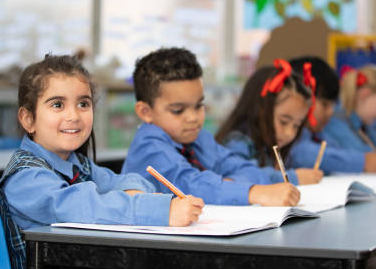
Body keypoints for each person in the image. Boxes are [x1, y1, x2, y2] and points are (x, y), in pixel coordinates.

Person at [0, 54, 204, 269]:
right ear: (28, 119)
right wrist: (161, 211)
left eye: (83, 104)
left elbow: (127, 179)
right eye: (57, 104)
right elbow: (85, 206)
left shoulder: (77, 164)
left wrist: (133, 193)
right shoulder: (26, 179)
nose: (73, 115)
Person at [122, 48, 300, 207]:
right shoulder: (150, 146)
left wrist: (226, 185)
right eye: (178, 110)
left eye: (199, 106)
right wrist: (252, 192)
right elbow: (189, 186)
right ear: (146, 112)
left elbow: (247, 169)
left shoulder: (201, 139)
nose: (193, 117)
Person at [216, 59, 323, 185]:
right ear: (260, 110)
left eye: (297, 125)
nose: (290, 133)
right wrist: (291, 177)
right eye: (283, 121)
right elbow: (238, 177)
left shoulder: (272, 146)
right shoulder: (240, 142)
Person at [288, 57, 376, 174]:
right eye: (325, 104)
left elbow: (338, 149)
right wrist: (363, 162)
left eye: (332, 105)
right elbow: (302, 154)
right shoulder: (291, 134)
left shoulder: (318, 134)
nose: (331, 111)